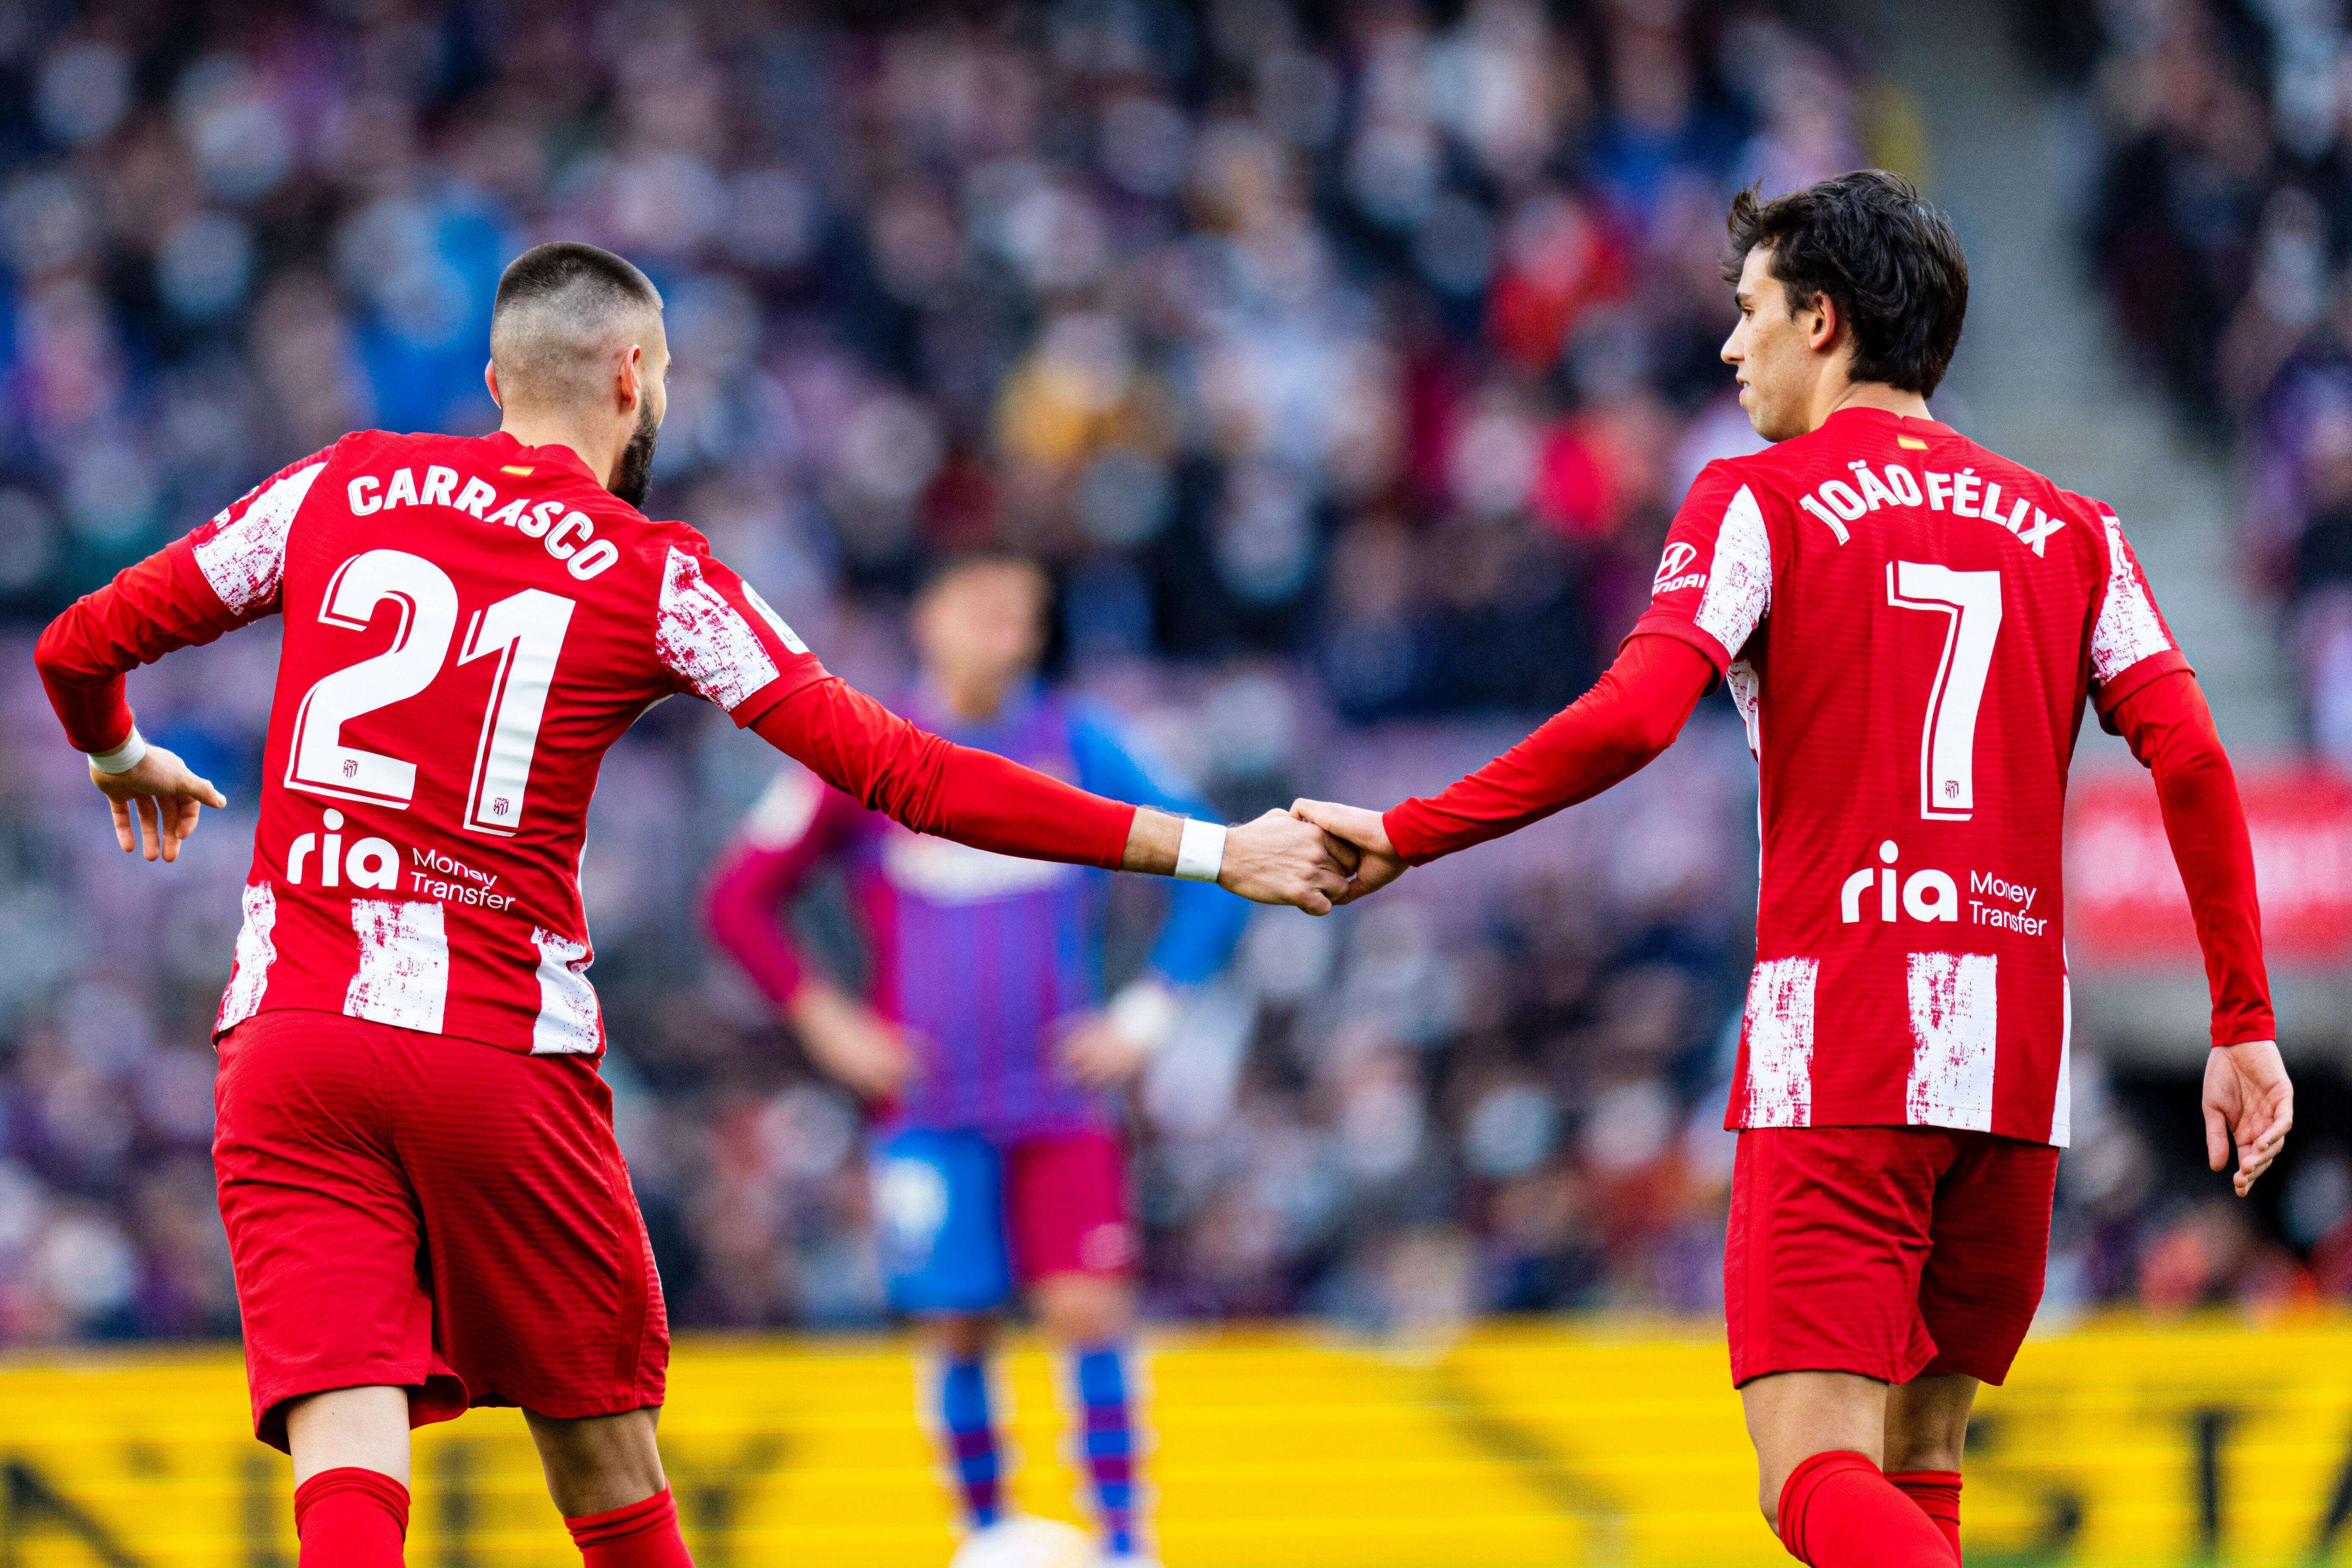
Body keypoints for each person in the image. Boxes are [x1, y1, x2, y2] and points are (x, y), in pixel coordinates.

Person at [31, 242, 1351, 1568]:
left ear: (495, 380)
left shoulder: (337, 485)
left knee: (345, 1443)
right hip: (495, 1051)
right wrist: (1208, 851)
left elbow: (76, 645)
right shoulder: (653, 571)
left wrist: (116, 754)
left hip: (290, 1042)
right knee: (602, 1449)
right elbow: (905, 771)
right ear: (632, 377)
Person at [1293, 172, 2294, 1568]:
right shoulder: (2074, 529)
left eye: (1749, 311)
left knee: (1810, 1481)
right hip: (2012, 1056)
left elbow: (1641, 715)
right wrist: (2242, 1021)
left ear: (1822, 322)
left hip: (1847, 1039)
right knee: (1918, 1470)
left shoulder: (1758, 499)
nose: (1728, 347)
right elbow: (2190, 759)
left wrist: (1412, 828)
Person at [703, 552, 1243, 1563]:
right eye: (984, 610)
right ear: (929, 618)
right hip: (930, 1105)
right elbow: (738, 900)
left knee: (1089, 1310)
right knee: (954, 1323)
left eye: (1024, 617)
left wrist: (1144, 1016)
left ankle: (1128, 1543)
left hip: (1059, 1097)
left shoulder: (1079, 742)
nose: (1008, 632)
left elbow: (1212, 868)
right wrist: (827, 1020)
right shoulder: (862, 747)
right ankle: (983, 1535)